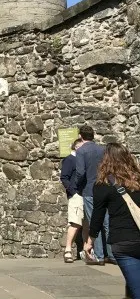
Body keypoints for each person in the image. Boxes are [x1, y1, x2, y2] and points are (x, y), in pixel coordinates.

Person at [84, 143, 140, 299]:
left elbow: (97, 216)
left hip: (124, 242)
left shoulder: (103, 185)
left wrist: (90, 241)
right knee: (133, 284)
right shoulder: (138, 180)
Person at [73, 124, 112, 264]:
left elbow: (80, 172)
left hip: (89, 190)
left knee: (94, 222)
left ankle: (100, 256)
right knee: (107, 222)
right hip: (105, 188)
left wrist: (76, 186)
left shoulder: (81, 151)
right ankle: (112, 255)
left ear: (80, 136)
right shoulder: (103, 150)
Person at [60, 138, 85, 262]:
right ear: (75, 147)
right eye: (81, 146)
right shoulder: (70, 159)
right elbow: (64, 177)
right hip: (76, 195)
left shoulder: (81, 159)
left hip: (84, 193)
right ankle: (68, 250)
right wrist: (73, 192)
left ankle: (84, 250)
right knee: (75, 222)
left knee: (84, 224)